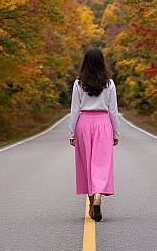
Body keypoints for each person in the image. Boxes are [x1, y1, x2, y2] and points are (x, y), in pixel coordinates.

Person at [68, 47, 120, 222]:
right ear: (101, 61)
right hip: (103, 123)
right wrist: (116, 132)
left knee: (87, 164)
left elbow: (74, 109)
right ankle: (98, 195)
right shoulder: (109, 83)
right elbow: (113, 110)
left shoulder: (78, 83)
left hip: (83, 123)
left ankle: (91, 204)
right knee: (101, 163)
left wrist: (71, 132)